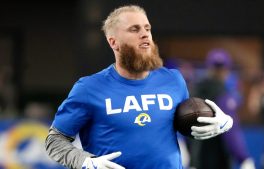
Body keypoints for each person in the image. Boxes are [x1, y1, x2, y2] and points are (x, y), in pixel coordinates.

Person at [45, 5, 233, 169]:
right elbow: (54, 141)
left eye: (147, 28)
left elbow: (189, 126)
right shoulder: (89, 88)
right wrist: (86, 162)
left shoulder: (173, 80)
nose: (145, 34)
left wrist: (222, 122)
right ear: (113, 42)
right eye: (134, 29)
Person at [190, 49, 255, 169]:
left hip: (195, 159)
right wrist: (243, 157)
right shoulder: (222, 94)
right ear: (227, 70)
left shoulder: (193, 92)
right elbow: (230, 130)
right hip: (216, 159)